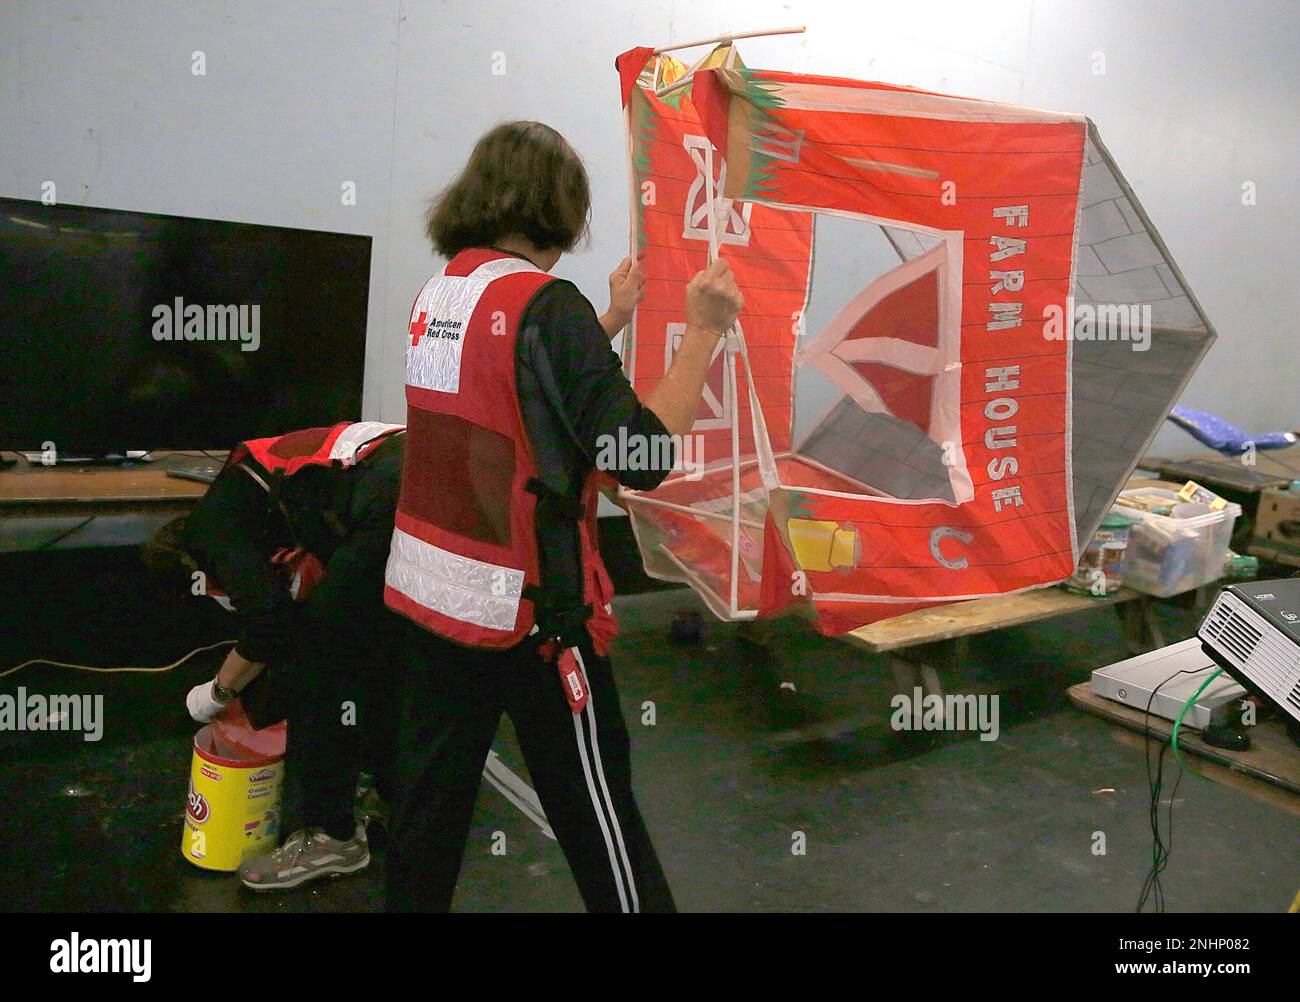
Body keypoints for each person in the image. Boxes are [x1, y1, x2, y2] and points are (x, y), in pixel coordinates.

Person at [384, 120, 743, 912]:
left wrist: (604, 322)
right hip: (530, 615)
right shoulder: (547, 307)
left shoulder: (444, 293)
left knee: (429, 814)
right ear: (562, 208)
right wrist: (704, 333)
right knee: (598, 815)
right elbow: (639, 457)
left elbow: (511, 396)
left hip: (431, 597)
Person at [167, 421, 406, 890]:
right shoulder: (274, 492)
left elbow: (269, 622)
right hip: (418, 473)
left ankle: (332, 836)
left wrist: (215, 694)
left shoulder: (210, 528)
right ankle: (394, 793)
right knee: (380, 641)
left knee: (317, 658)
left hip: (391, 487)